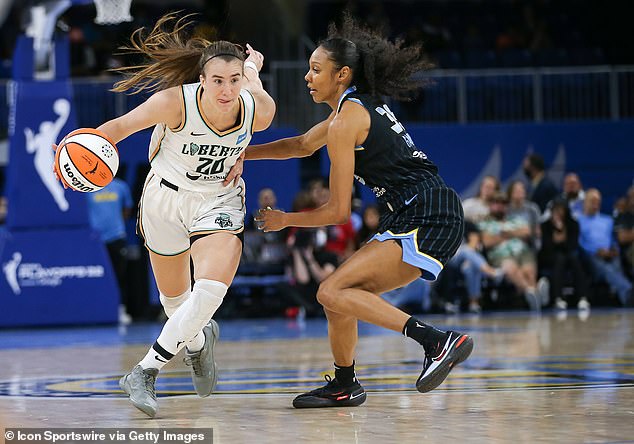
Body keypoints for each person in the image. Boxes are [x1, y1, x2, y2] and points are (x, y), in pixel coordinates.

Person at [234, 14, 473, 408]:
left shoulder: (347, 121)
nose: (307, 77)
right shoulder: (350, 111)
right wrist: (241, 153)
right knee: (338, 295)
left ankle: (436, 341)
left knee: (331, 289)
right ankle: (345, 383)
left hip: (427, 212)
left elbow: (339, 211)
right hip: (417, 211)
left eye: (315, 70)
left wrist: (286, 219)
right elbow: (299, 146)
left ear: (342, 74)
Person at [54, 13, 275, 417]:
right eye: (217, 81)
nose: (226, 90)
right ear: (201, 81)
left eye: (234, 80)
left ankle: (144, 371)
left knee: (210, 290)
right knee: (176, 303)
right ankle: (198, 342)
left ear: (243, 80)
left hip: (218, 201)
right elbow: (116, 129)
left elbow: (255, 91)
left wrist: (253, 72)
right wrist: (73, 158)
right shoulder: (175, 102)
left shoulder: (258, 110)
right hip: (165, 199)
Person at [87, 174, 134, 324]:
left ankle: (121, 310)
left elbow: (127, 209)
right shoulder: (87, 188)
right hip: (96, 240)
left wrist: (116, 225)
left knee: (120, 275)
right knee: (97, 276)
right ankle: (98, 310)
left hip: (117, 237)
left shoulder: (121, 186)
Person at [577, 189, 632, 307]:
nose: (596, 204)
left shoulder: (607, 220)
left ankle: (627, 297)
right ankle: (628, 291)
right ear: (585, 202)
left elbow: (614, 240)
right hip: (591, 257)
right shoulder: (578, 222)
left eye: (598, 202)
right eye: (592, 201)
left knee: (615, 262)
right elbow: (579, 243)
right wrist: (596, 251)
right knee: (605, 267)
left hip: (610, 254)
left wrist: (614, 249)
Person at [539, 198, 590, 310]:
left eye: (561, 209)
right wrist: (556, 239)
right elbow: (546, 247)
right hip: (549, 257)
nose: (558, 213)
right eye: (556, 210)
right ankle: (558, 298)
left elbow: (572, 245)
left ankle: (582, 298)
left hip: (569, 254)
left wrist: (562, 234)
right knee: (560, 258)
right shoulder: (545, 225)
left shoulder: (573, 224)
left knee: (574, 259)